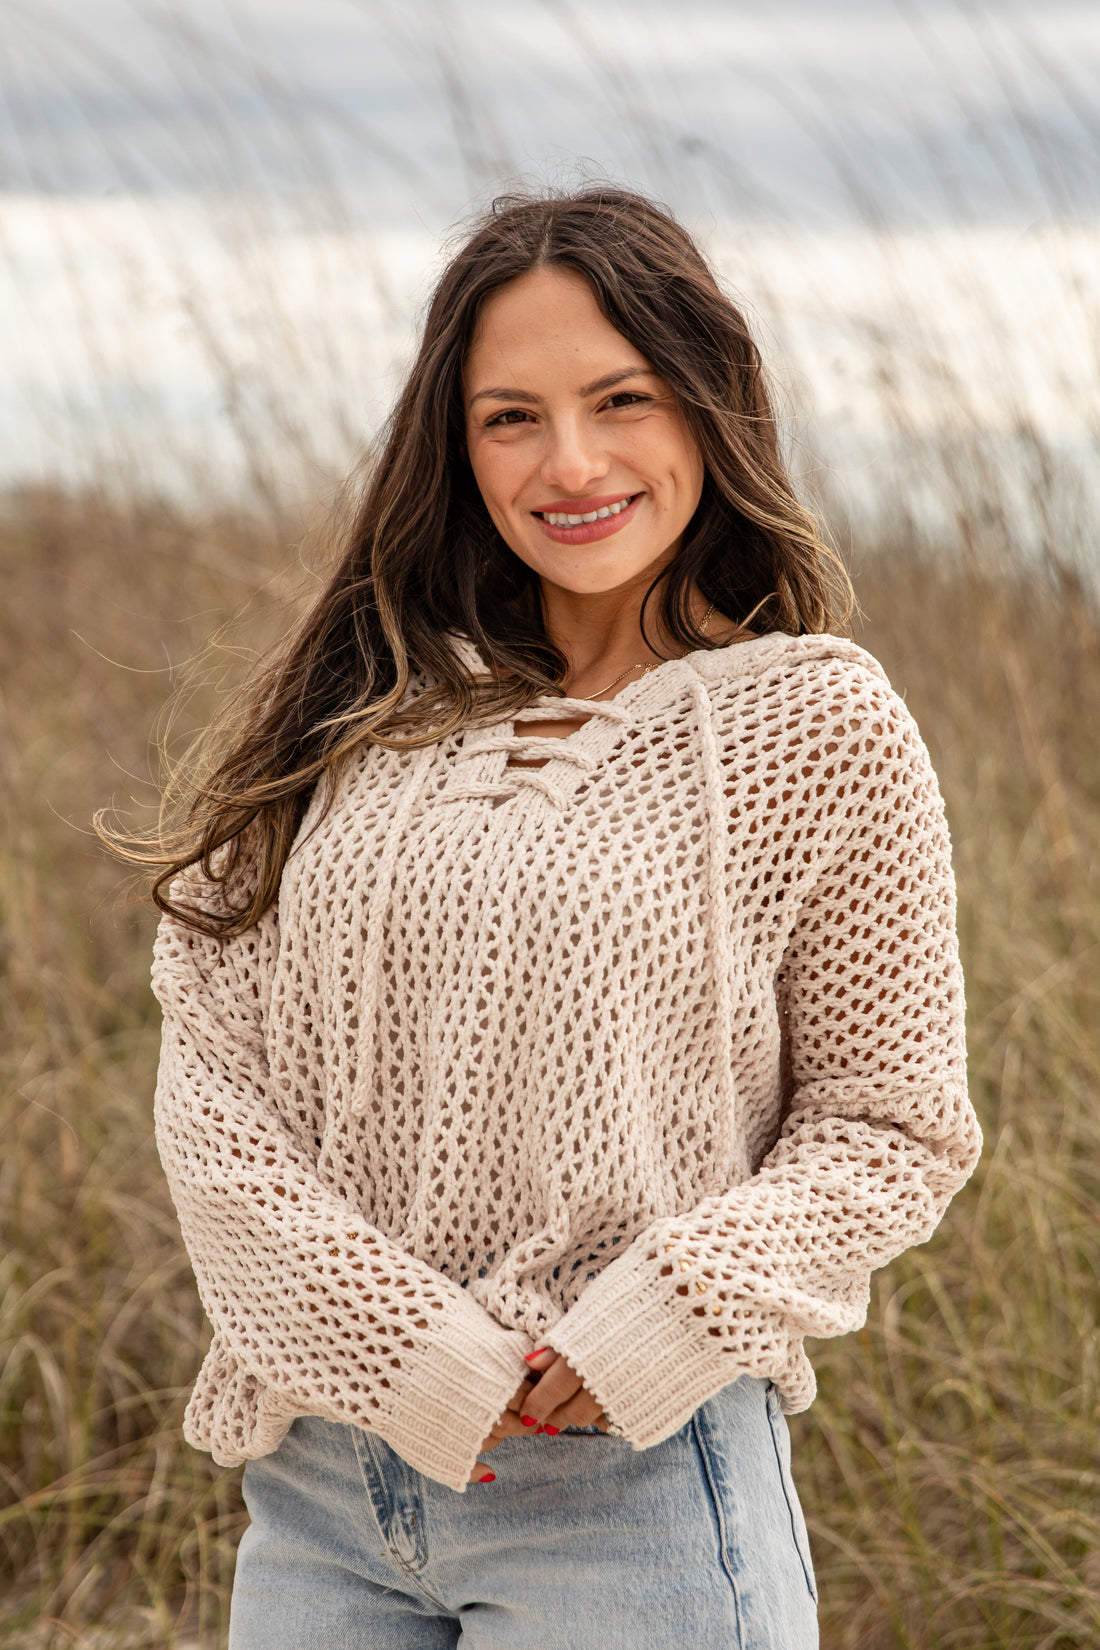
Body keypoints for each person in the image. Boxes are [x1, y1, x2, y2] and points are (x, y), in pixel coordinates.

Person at [108, 186, 982, 1648]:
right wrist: (407, 1350)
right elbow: (212, 1070)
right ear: (458, 445)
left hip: (631, 1492)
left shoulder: (822, 723)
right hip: (324, 1486)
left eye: (621, 398)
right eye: (511, 416)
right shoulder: (368, 708)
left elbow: (891, 1126)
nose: (569, 461)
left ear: (708, 403)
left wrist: (669, 1309)